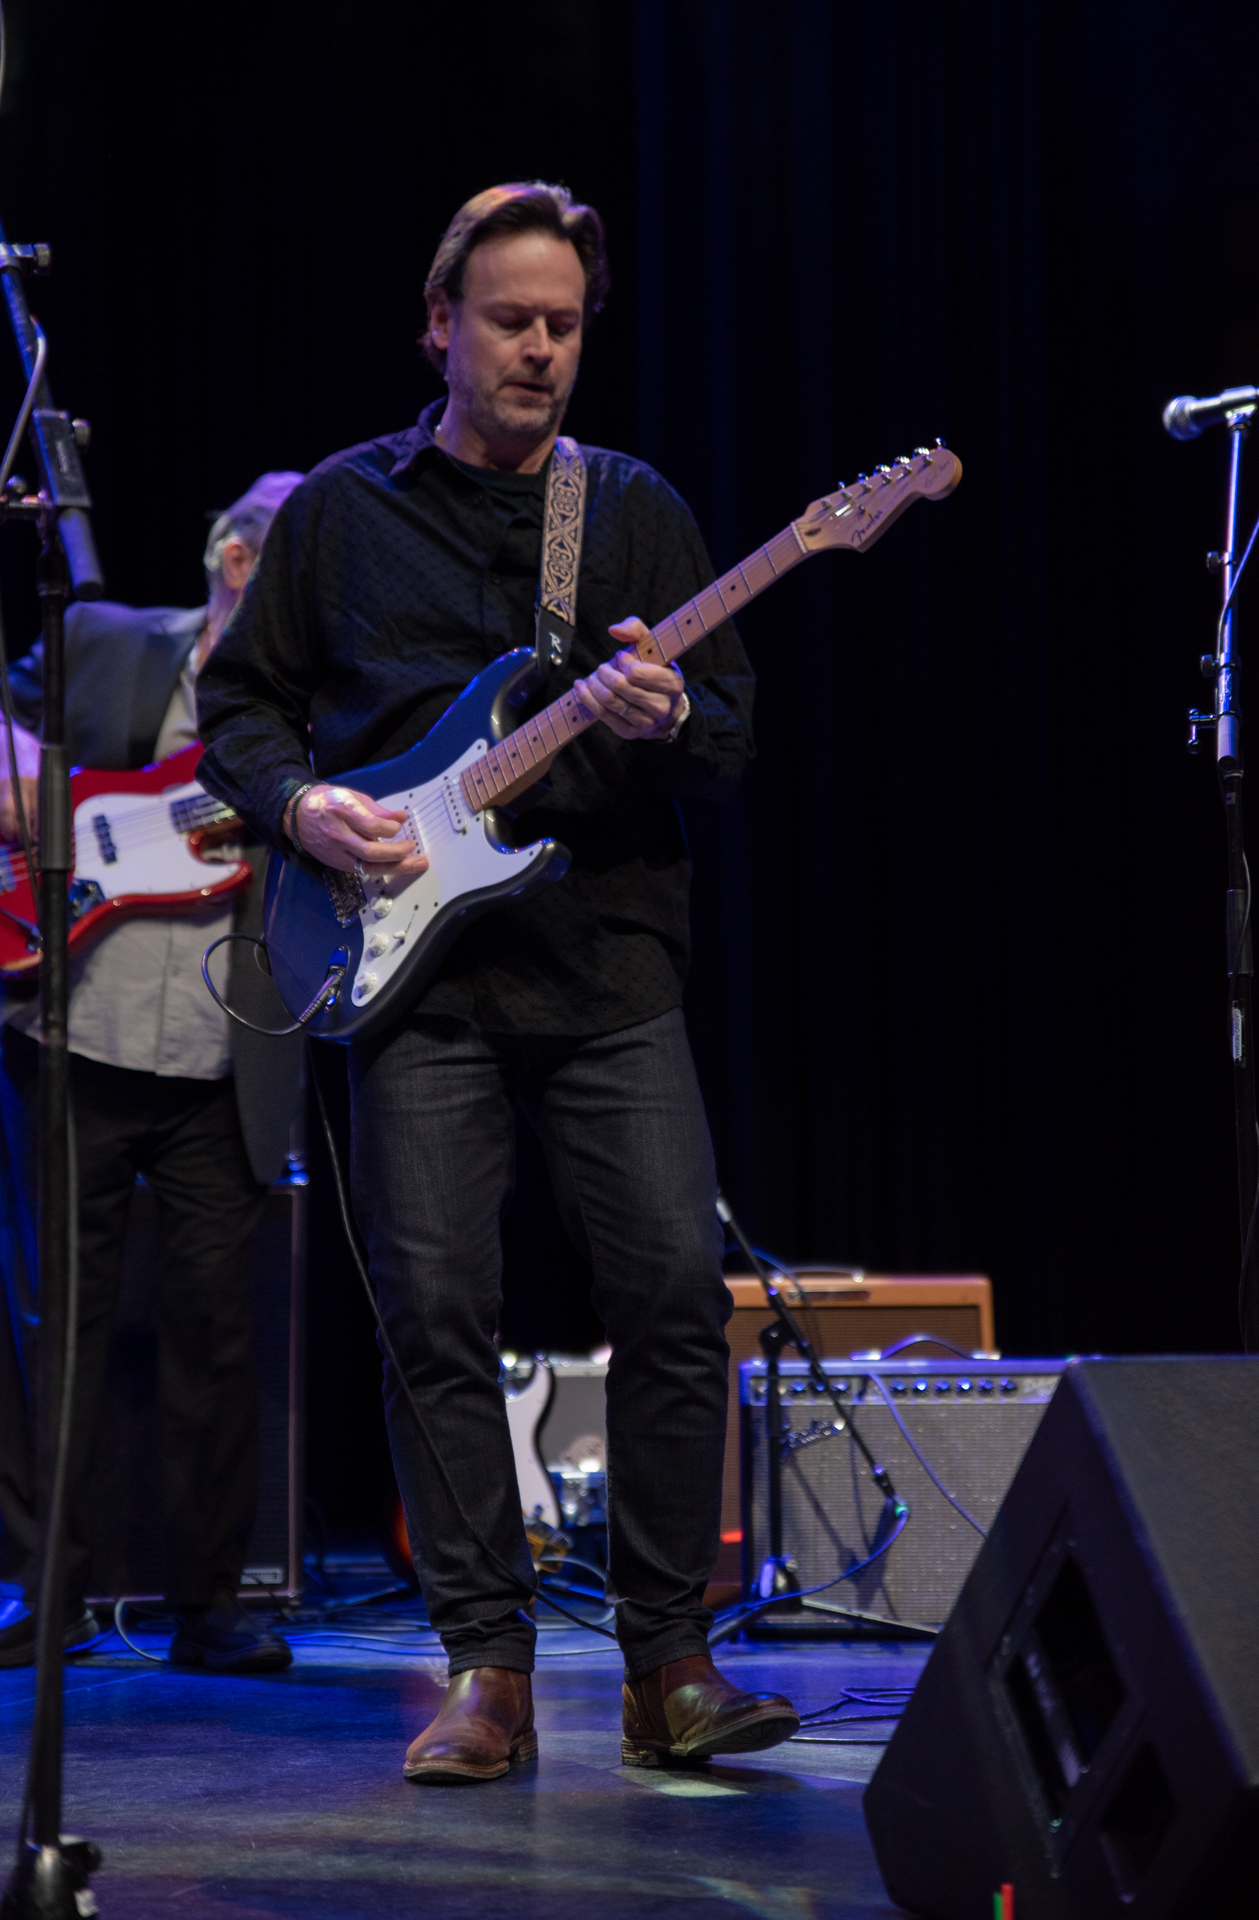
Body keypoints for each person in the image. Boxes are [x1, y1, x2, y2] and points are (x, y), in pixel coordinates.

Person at [196, 184, 799, 1775]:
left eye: (565, 325)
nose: (540, 349)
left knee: (671, 1297)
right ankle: (488, 1671)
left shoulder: (632, 508)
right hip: (411, 981)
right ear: (438, 326)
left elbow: (731, 736)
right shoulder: (342, 510)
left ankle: (670, 1665)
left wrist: (672, 717)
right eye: (511, 320)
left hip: (605, 963)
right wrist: (301, 808)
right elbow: (240, 710)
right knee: (434, 1315)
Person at [0, 472, 305, 1673]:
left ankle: (209, 1607)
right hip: (72, 1035)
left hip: (223, 1058)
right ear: (239, 562)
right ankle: (39, 1596)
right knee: (47, 1325)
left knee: (216, 1336)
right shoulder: (114, 640)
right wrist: (12, 754)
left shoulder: (316, 717)